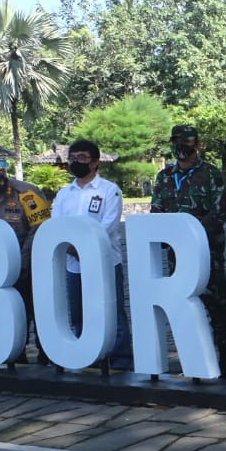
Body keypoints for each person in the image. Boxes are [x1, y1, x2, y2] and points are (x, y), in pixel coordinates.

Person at [150, 124, 226, 378]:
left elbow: (219, 213)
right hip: (176, 257)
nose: (181, 146)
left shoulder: (211, 174)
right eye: (176, 141)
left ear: (197, 144)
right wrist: (169, 237)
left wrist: (190, 233)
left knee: (217, 307)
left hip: (207, 254)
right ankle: (194, 359)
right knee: (184, 307)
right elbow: (156, 212)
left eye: (186, 142)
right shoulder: (164, 177)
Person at [52, 139, 132, 368]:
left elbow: (109, 225)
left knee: (112, 311)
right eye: (73, 158)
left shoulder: (109, 190)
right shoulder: (64, 193)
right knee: (78, 313)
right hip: (73, 264)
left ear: (96, 162)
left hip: (105, 262)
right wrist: (71, 247)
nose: (77, 162)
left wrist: (84, 247)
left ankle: (121, 361)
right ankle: (86, 357)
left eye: (83, 158)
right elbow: (56, 224)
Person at [0, 157, 52, 366]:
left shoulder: (26, 192)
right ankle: (16, 352)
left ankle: (47, 353)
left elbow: (40, 230)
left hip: (31, 265)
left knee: (38, 309)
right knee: (11, 313)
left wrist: (21, 262)